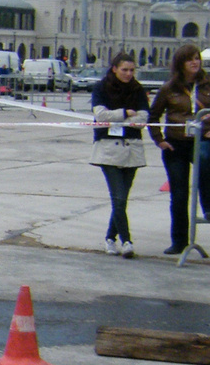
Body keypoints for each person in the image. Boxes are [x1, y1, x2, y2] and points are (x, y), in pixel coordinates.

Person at [147, 42, 210, 256]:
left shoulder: (208, 84)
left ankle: (207, 207)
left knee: (205, 169)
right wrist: (159, 140)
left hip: (202, 140)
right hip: (176, 144)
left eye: (197, 58)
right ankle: (179, 240)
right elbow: (153, 115)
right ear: (181, 63)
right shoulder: (169, 88)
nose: (195, 62)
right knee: (180, 194)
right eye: (189, 59)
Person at [89, 52, 151, 258]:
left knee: (122, 199)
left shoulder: (138, 89)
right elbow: (101, 115)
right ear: (114, 68)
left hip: (132, 148)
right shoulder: (101, 87)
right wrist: (125, 113)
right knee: (118, 196)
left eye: (132, 70)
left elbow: (143, 117)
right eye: (124, 69)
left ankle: (110, 238)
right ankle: (127, 241)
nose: (128, 74)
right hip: (108, 149)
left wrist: (125, 117)